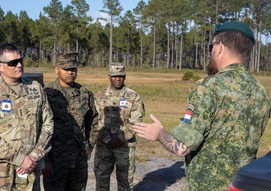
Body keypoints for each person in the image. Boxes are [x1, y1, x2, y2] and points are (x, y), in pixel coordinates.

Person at [133, 21, 271, 191]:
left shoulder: (209, 87)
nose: (211, 52)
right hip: (243, 185)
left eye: (210, 47)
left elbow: (182, 147)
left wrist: (158, 133)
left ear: (220, 47)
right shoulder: (261, 92)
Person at [0, 43, 53, 191]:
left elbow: (47, 123)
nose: (19, 65)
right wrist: (20, 159)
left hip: (31, 169)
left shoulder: (35, 88)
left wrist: (35, 156)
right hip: (2, 174)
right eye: (13, 63)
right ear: (0, 66)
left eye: (20, 61)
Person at [42, 52, 98, 191]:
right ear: (57, 69)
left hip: (78, 160)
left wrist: (88, 146)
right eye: (66, 69)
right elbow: (39, 127)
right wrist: (45, 159)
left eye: (73, 69)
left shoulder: (85, 93)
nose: (70, 72)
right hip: (55, 159)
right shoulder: (47, 94)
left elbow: (94, 121)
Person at [94, 62, 145, 191]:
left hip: (125, 147)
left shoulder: (134, 97)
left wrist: (119, 138)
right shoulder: (99, 97)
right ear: (109, 77)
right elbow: (95, 121)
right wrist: (107, 139)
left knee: (125, 182)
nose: (118, 79)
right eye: (114, 76)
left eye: (120, 76)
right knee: (101, 181)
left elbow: (136, 120)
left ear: (125, 77)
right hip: (104, 147)